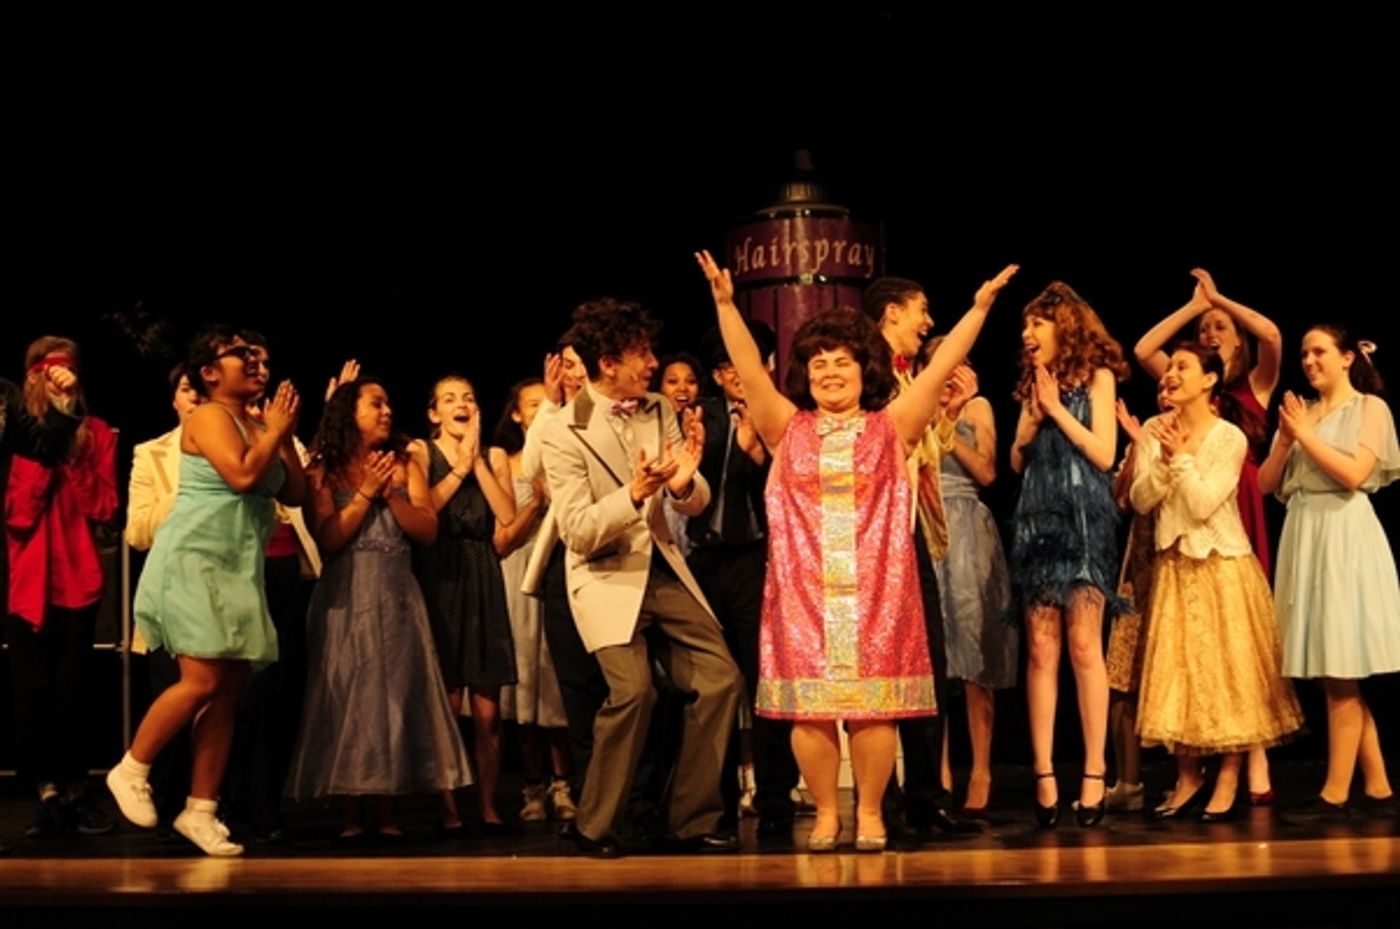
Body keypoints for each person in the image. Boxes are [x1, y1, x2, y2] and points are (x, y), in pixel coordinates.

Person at [699, 249, 1016, 851]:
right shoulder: (785, 426)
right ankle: (826, 813)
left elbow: (940, 366)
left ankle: (870, 812)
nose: (829, 372)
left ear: (863, 368)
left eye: (841, 361)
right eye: (818, 362)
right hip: (803, 597)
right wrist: (725, 305)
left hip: (877, 597)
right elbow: (748, 368)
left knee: (874, 707)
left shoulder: (892, 425)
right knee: (810, 711)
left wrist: (978, 309)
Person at [538, 297, 742, 858]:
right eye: (642, 353)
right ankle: (595, 824)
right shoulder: (563, 429)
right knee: (633, 692)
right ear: (607, 364)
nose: (653, 363)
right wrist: (633, 493)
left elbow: (691, 501)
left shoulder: (657, 409)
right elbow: (578, 531)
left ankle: (691, 820)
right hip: (604, 575)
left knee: (721, 678)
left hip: (660, 566)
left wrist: (683, 483)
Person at [107, 327, 305, 856]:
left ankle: (201, 809)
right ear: (210, 373)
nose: (254, 361)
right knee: (202, 679)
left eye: (257, 354)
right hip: (194, 562)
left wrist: (283, 435)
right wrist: (272, 432)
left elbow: (295, 492)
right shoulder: (209, 416)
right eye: (240, 354)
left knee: (229, 688)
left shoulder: (257, 424)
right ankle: (132, 768)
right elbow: (241, 476)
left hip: (236, 569)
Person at [286, 377, 472, 838]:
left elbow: (427, 530)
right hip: (345, 596)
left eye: (388, 403)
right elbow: (328, 539)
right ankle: (352, 811)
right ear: (349, 414)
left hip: (397, 595)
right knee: (349, 694)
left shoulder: (405, 463)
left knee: (393, 696)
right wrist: (367, 492)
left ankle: (388, 811)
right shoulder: (323, 470)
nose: (387, 411)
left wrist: (390, 495)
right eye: (376, 404)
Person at [1130, 343, 1302, 820]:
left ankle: (1228, 773)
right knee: (1181, 675)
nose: (1170, 374)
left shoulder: (1229, 437)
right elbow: (1141, 500)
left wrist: (1181, 460)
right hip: (1175, 564)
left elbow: (1205, 503)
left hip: (1222, 564)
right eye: (1169, 367)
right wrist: (1164, 461)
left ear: (1209, 380)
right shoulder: (1154, 430)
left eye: (1182, 367)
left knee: (1230, 676)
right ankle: (1189, 776)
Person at [1259, 326, 1400, 819]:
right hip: (1305, 531)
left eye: (1319, 351)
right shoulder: (1305, 413)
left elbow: (1354, 474)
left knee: (1340, 670)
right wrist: (1284, 440)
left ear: (1346, 358)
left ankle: (1335, 793)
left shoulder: (1369, 408)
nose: (1309, 361)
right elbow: (1265, 484)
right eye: (1304, 354)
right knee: (1327, 670)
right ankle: (1378, 785)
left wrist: (1304, 435)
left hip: (1342, 534)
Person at [1010, 281, 1130, 828]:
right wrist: (1032, 419)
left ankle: (1094, 771)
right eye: (1026, 325)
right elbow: (1016, 462)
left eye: (1036, 323)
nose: (1027, 333)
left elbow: (1104, 453)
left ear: (1065, 327)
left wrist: (1057, 411)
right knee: (1041, 648)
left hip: (1084, 521)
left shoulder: (1097, 377)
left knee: (1085, 645)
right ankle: (1043, 772)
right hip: (1040, 520)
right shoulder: (1033, 383)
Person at [686, 320, 801, 837]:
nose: (739, 374)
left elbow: (792, 490)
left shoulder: (782, 416)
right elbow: (688, 481)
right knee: (714, 686)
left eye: (750, 363)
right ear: (717, 374)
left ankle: (776, 798)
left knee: (765, 681)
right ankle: (718, 807)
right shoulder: (700, 417)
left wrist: (758, 454)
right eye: (729, 367)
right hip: (706, 563)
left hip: (760, 562)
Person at [5, 336, 118, 838]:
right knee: (32, 693)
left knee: (75, 693)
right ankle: (44, 793)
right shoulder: (16, 436)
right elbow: (18, 513)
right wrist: (50, 442)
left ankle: (74, 790)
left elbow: (105, 508)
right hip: (28, 583)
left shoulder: (98, 434)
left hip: (78, 580)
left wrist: (71, 446)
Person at [409, 375, 517, 832]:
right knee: (448, 705)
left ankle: (488, 804)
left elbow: (507, 515)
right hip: (440, 575)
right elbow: (425, 510)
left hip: (482, 573)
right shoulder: (420, 451)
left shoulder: (495, 456)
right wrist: (457, 469)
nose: (461, 404)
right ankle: (449, 806)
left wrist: (477, 464)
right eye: (450, 399)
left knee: (488, 712)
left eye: (469, 398)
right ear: (434, 413)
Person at [919, 338, 1016, 817]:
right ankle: (937, 769)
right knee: (931, 655)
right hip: (923, 520)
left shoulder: (978, 407)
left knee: (976, 650)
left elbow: (987, 472)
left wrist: (950, 419)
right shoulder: (912, 404)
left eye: (960, 363)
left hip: (966, 526)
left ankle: (980, 768)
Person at [489, 377, 577, 823]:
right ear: (517, 415)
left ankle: (564, 785)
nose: (543, 409)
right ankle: (532, 786)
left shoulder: (565, 456)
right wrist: (535, 504)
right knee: (524, 687)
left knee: (556, 684)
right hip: (518, 576)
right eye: (532, 404)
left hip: (558, 572)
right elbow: (502, 539)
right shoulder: (506, 462)